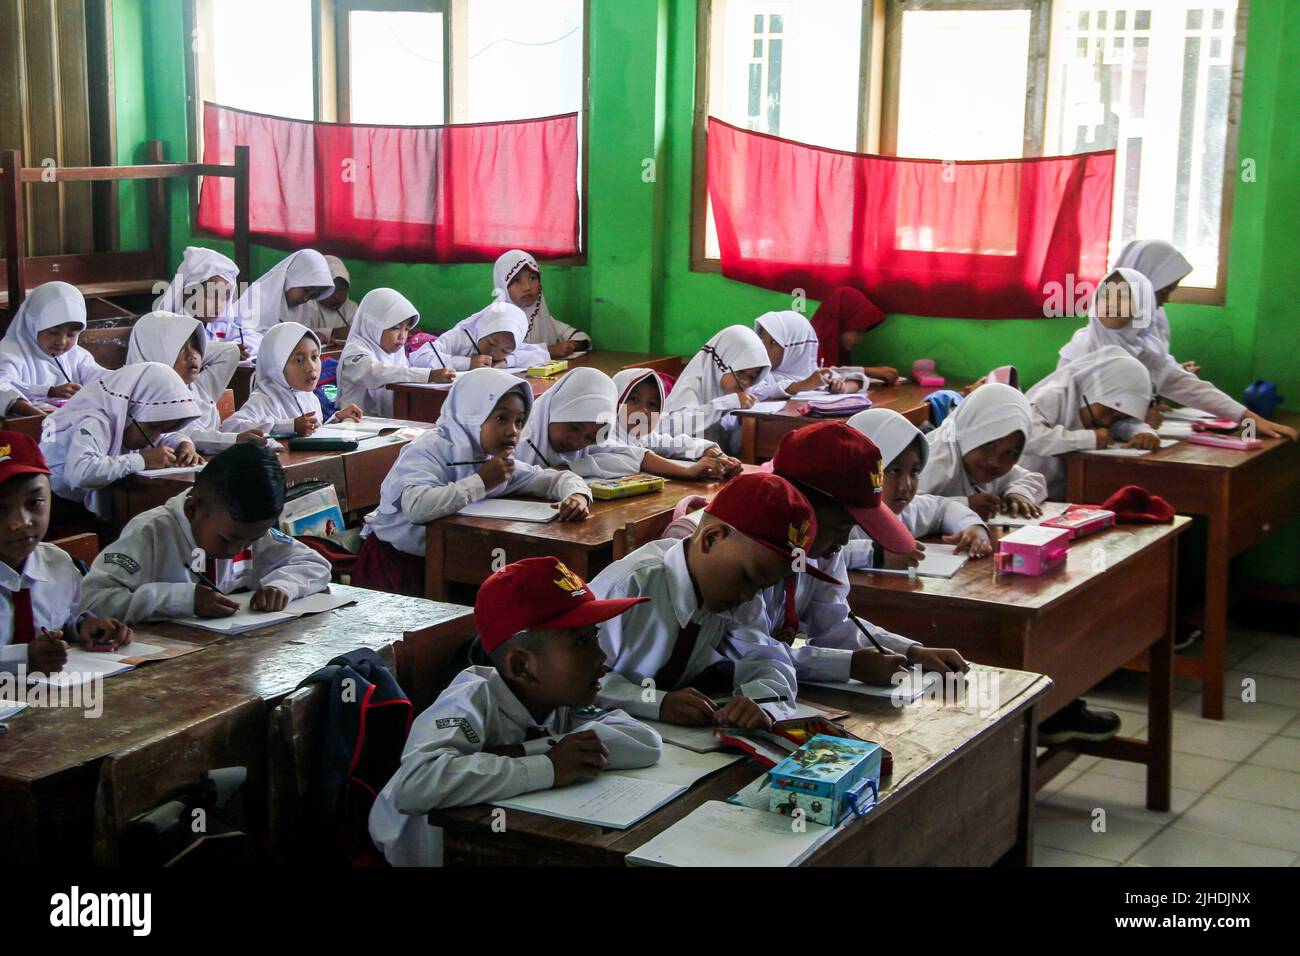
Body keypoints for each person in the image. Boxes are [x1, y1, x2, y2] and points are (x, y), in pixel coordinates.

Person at [368, 556, 661, 866]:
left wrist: (526, 751)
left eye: (596, 635)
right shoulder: (470, 700)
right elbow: (414, 785)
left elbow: (646, 744)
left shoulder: (561, 698)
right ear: (521, 666)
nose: (600, 655)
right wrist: (548, 765)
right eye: (581, 642)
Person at [79, 444, 331, 623]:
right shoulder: (151, 533)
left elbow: (315, 564)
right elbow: (92, 600)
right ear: (192, 508)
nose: (237, 550)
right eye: (228, 539)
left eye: (251, 540)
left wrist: (282, 586)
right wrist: (181, 600)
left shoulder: (246, 530)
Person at [0, 431, 131, 674]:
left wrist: (85, 625)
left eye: (34, 503)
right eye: (1, 509)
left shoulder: (59, 564)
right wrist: (23, 657)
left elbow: (66, 616)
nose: (21, 522)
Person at [0, 281, 108, 418]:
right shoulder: (10, 352)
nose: (61, 342)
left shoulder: (76, 355)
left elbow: (97, 375)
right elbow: (3, 386)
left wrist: (121, 378)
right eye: (53, 332)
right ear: (33, 323)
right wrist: (49, 391)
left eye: (71, 335)